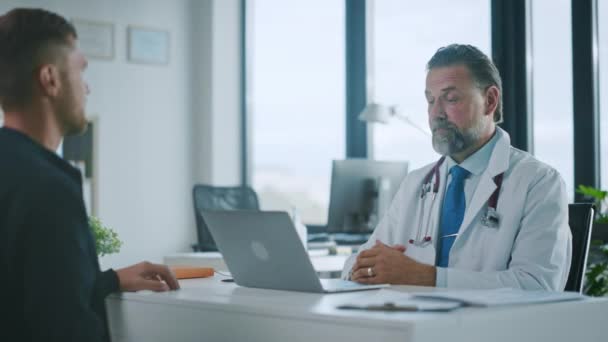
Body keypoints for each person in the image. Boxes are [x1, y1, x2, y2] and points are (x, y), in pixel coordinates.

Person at [0, 8, 180, 342]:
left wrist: (108, 280)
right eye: (80, 70)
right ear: (51, 79)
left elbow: (23, 294)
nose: (87, 88)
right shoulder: (49, 188)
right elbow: (65, 327)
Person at [342, 44, 572, 291]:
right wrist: (363, 269)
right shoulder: (416, 183)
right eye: (431, 100)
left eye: (450, 98)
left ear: (490, 100)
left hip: (492, 329)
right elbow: (354, 264)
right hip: (416, 324)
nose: (436, 113)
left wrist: (425, 277)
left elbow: (537, 286)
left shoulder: (539, 182)